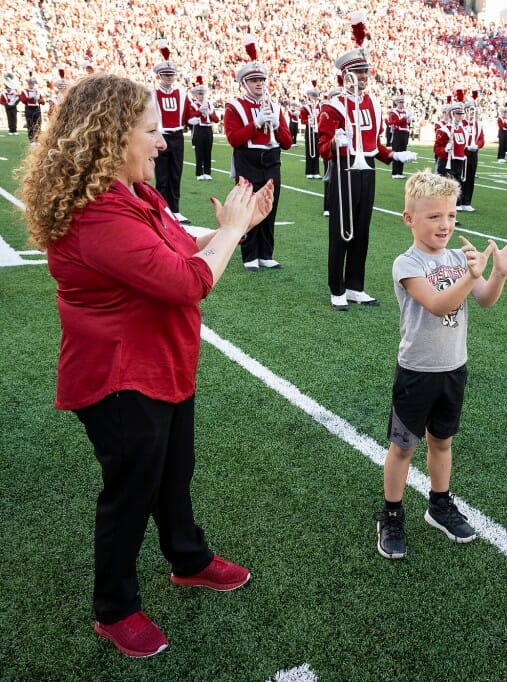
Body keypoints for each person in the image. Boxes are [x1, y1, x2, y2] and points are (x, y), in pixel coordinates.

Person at [19, 73, 274, 659]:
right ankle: (114, 608)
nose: (163, 142)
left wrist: (236, 228)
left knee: (173, 470)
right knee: (131, 492)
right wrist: (232, 233)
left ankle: (187, 559)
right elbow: (187, 281)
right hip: (118, 378)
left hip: (158, 365)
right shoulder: (96, 216)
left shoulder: (131, 195)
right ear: (111, 138)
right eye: (152, 131)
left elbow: (178, 248)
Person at [376, 170, 507, 560]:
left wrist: (497, 274)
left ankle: (439, 505)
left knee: (442, 442)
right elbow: (440, 303)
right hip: (417, 371)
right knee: (403, 446)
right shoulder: (406, 264)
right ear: (409, 218)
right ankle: (391, 515)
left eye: (451, 216)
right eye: (434, 216)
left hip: (453, 367)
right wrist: (471, 274)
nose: (445, 225)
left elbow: (486, 299)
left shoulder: (460, 256)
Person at [317, 46, 417, 311]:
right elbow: (322, 146)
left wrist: (394, 155)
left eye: (365, 72)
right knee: (342, 230)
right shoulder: (333, 105)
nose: (363, 77)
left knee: (361, 230)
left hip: (367, 168)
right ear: (345, 75)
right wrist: (336, 144)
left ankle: (354, 286)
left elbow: (374, 144)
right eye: (358, 73)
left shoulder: (372, 102)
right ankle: (336, 288)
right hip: (344, 166)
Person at [223, 45, 294, 272]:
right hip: (248, 160)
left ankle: (266, 253)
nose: (259, 84)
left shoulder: (274, 105)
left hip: (272, 160)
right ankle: (250, 254)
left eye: (262, 79)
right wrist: (254, 124)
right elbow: (234, 139)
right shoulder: (234, 106)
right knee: (249, 206)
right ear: (244, 83)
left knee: (269, 205)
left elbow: (287, 142)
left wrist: (275, 124)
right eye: (254, 80)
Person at [152, 44, 190, 223]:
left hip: (177, 136)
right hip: (161, 135)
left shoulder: (182, 94)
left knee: (176, 172)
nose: (169, 78)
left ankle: (175, 208)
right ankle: (161, 207)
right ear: (159, 76)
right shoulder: (152, 94)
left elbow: (189, 115)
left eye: (171, 75)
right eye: (165, 75)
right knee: (162, 175)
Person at [186, 82, 218, 181]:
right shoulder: (193, 105)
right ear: (195, 95)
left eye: (203, 93)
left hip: (208, 129)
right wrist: (199, 111)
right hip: (199, 129)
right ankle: (199, 173)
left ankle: (207, 173)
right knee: (199, 152)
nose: (201, 95)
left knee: (208, 151)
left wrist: (209, 113)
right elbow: (190, 120)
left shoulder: (209, 105)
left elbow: (216, 119)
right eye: (199, 94)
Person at [460, 100, 483, 211]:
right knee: (461, 177)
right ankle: (458, 201)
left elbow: (482, 139)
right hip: (462, 153)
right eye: (469, 109)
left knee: (470, 177)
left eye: (473, 109)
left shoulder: (478, 124)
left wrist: (477, 145)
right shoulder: (461, 123)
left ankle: (467, 202)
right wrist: (466, 146)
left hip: (473, 154)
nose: (471, 112)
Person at [387, 93, 412, 179]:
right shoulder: (393, 112)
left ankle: (400, 172)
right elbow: (395, 123)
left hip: (405, 133)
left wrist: (409, 120)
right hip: (397, 133)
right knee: (396, 152)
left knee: (403, 153)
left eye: (402, 102)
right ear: (397, 103)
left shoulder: (406, 111)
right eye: (400, 102)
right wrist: (405, 118)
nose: (402, 104)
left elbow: (407, 123)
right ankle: (395, 173)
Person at [300, 86, 322, 179]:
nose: (315, 97)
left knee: (317, 151)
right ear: (309, 96)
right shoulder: (305, 107)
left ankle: (316, 171)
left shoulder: (319, 106)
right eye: (313, 96)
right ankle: (309, 171)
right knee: (310, 151)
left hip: (318, 130)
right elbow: (302, 120)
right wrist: (310, 121)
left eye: (316, 96)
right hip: (310, 129)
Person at [20, 77, 44, 143]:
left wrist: (39, 100)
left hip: (37, 108)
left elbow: (43, 101)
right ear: (28, 84)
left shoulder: (38, 91)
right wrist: (30, 98)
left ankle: (38, 139)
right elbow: (23, 100)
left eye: (32, 83)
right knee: (30, 124)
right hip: (29, 109)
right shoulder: (24, 91)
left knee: (38, 124)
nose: (31, 84)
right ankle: (31, 139)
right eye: (30, 83)